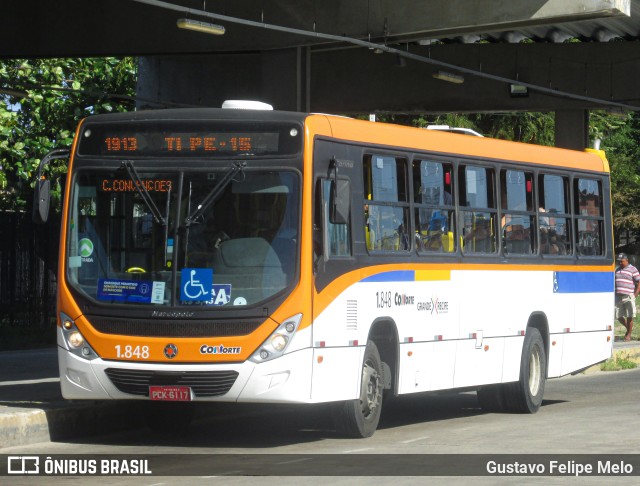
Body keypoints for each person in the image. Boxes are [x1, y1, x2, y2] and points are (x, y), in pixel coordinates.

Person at [614, 253, 640, 341]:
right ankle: (628, 328)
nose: (620, 263)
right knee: (618, 315)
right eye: (619, 261)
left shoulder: (633, 269)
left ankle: (629, 334)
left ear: (627, 260)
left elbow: (638, 282)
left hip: (628, 295)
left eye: (622, 261)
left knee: (629, 315)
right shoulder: (617, 269)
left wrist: (636, 294)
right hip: (618, 296)